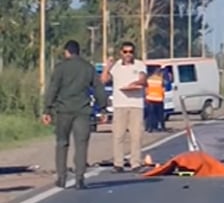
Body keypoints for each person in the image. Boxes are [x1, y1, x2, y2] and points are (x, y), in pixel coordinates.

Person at [42, 40, 108, 189]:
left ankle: (62, 178)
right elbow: (98, 88)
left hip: (63, 111)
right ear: (78, 52)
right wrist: (103, 108)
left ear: (67, 52)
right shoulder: (88, 68)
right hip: (82, 111)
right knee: (81, 145)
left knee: (61, 143)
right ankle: (79, 178)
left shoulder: (60, 68)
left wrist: (47, 109)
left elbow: (53, 89)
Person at [101, 41, 147, 172]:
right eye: (125, 52)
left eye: (130, 52)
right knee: (118, 135)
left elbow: (143, 79)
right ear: (121, 53)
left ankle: (135, 163)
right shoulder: (116, 66)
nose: (128, 54)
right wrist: (107, 67)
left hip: (136, 104)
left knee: (136, 135)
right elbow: (103, 80)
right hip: (120, 104)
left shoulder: (139, 65)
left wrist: (134, 84)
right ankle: (118, 163)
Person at [144, 67, 165, 133]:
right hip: (159, 99)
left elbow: (146, 89)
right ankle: (161, 127)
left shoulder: (149, 79)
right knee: (160, 115)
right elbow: (163, 89)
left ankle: (149, 128)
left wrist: (146, 97)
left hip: (150, 99)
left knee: (150, 115)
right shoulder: (161, 80)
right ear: (159, 73)